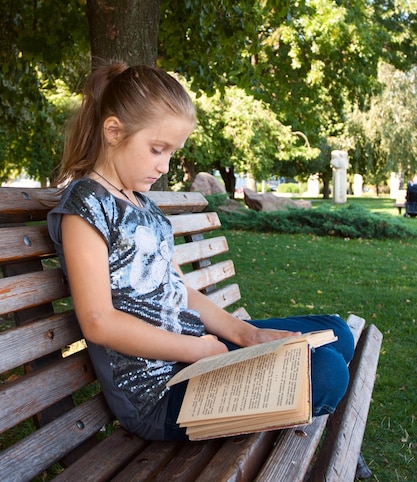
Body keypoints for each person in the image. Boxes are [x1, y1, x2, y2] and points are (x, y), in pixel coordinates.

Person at [48, 61, 354, 441]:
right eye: (157, 150)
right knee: (326, 372)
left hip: (195, 353)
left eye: (172, 152)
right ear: (113, 132)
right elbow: (99, 322)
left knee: (337, 333)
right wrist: (195, 350)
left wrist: (246, 336)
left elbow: (183, 292)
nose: (165, 165)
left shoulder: (145, 206)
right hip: (159, 392)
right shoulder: (87, 205)